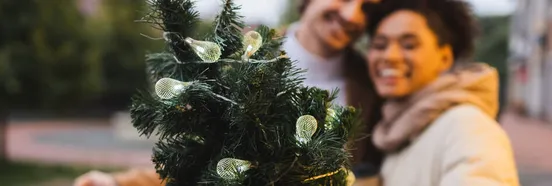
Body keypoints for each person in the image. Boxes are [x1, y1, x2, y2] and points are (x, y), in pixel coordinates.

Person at [74, 0, 384, 185]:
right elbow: (197, 163)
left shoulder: (372, 86)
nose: (353, 15)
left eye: (367, 6)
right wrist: (119, 182)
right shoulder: (238, 59)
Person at [364, 0, 519, 185]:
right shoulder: (398, 129)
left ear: (445, 58)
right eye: (380, 45)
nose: (390, 56)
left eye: (409, 45)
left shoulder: (467, 127)